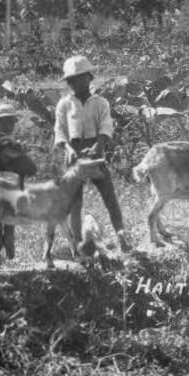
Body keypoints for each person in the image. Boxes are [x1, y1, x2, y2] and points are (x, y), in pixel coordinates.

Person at [54, 56, 130, 252]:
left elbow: (106, 126)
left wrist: (98, 145)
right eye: (71, 80)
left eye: (80, 78)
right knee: (75, 201)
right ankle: (79, 245)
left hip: (95, 153)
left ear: (89, 78)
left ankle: (121, 233)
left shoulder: (100, 102)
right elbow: (60, 130)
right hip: (74, 156)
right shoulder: (64, 104)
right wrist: (68, 149)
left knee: (109, 196)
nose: (75, 83)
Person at [0, 103, 21, 259]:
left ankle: (8, 248)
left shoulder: (10, 140)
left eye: (12, 121)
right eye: (5, 121)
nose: (10, 125)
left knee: (9, 221)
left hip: (10, 184)